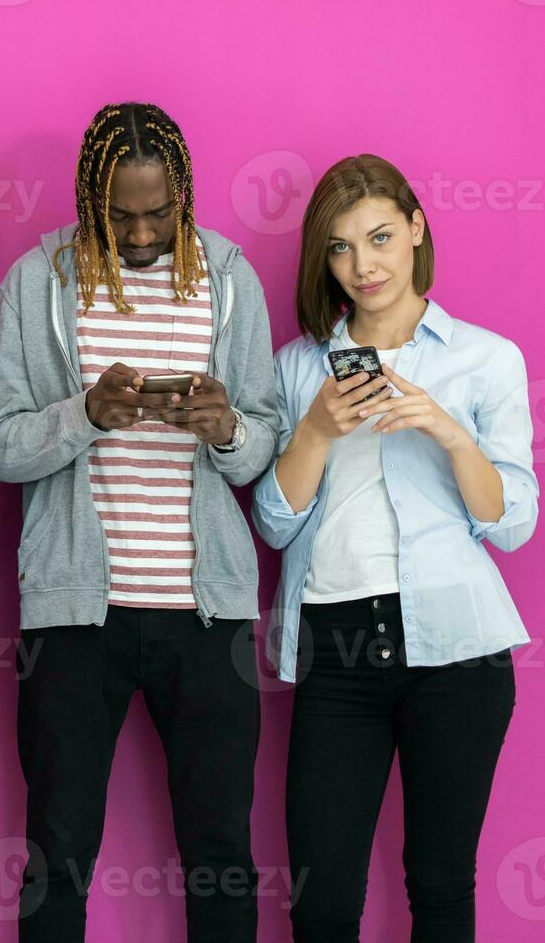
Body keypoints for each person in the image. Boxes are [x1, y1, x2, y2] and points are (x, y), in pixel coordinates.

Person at [0, 102, 279, 942]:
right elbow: (0, 446)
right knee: (58, 849)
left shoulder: (229, 278)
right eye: (120, 216)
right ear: (88, 199)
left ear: (183, 197)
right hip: (76, 617)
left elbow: (262, 448)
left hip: (208, 613)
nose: (142, 234)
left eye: (159, 213)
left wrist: (229, 430)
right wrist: (85, 415)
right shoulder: (36, 283)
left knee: (220, 847)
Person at [252, 154, 536, 942]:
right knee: (323, 902)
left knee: (441, 887)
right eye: (340, 248)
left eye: (379, 237)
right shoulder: (297, 366)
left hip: (458, 650)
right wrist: (314, 428)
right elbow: (275, 526)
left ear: (415, 229)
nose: (362, 265)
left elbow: (512, 524)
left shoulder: (487, 358)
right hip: (336, 647)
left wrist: (447, 430)